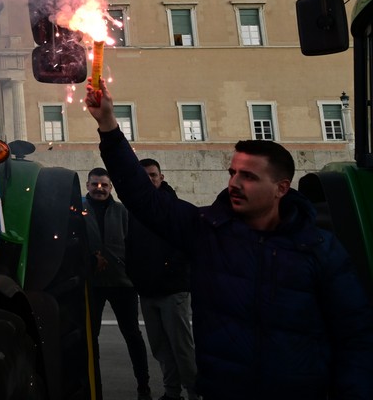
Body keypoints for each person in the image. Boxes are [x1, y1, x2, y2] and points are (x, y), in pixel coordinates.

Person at [86, 84, 373, 399]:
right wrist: (108, 126)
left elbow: (355, 338)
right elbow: (143, 198)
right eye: (233, 172)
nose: (234, 183)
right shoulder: (209, 231)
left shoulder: (321, 249)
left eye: (249, 177)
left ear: (281, 188)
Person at [126, 159, 197, 400]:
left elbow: (188, 249)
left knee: (181, 348)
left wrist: (170, 269)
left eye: (153, 175)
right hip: (147, 290)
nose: (149, 179)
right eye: (144, 176)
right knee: (160, 348)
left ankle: (194, 392)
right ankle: (171, 391)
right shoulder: (135, 212)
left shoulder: (178, 209)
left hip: (172, 290)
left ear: (161, 177)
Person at [84, 167, 152, 399]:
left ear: (111, 187)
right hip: (91, 284)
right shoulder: (77, 212)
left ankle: (143, 384)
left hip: (123, 283)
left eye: (103, 184)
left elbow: (135, 244)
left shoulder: (123, 212)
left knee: (132, 334)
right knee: (89, 336)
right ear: (87, 186)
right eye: (95, 184)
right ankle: (92, 384)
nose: (99, 188)